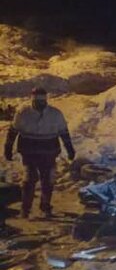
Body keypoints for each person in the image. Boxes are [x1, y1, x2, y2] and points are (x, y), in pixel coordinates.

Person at [3, 87, 75, 218]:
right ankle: (25, 209)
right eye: (37, 101)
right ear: (32, 100)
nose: (40, 104)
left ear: (46, 100)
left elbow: (64, 132)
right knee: (29, 179)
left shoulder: (55, 114)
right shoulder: (23, 113)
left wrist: (69, 149)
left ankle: (45, 206)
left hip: (49, 153)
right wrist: (8, 147)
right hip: (29, 153)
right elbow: (13, 131)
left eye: (42, 101)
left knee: (48, 180)